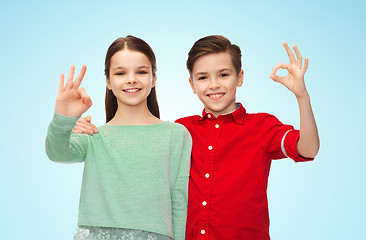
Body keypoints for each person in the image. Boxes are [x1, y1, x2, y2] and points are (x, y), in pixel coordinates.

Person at [73, 35, 320, 240]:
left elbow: (308, 149)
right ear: (192, 84)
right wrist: (81, 129)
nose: (214, 85)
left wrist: (302, 96)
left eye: (224, 75)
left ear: (240, 77)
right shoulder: (181, 130)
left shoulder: (261, 126)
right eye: (203, 77)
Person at [45, 35, 192, 240]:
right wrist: (64, 118)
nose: (131, 79)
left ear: (154, 78)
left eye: (141, 71)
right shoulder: (93, 135)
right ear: (108, 81)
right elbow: (56, 151)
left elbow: (179, 201)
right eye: (121, 72)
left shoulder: (176, 135)